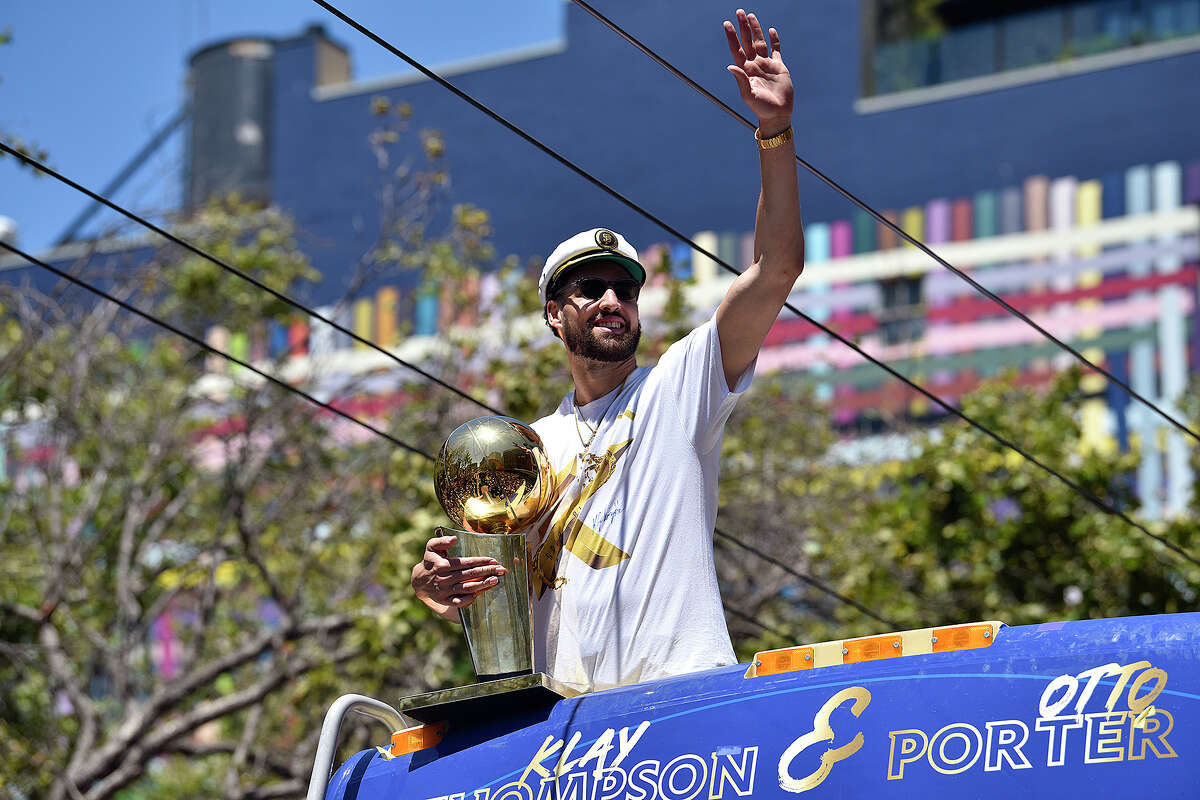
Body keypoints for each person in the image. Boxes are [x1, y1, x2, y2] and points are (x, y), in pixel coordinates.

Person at [412, 8, 804, 691]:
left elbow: (776, 268)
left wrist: (775, 133)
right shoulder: (521, 453)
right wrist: (439, 587)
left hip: (680, 701)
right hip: (566, 731)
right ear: (554, 316)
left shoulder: (680, 387)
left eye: (626, 289)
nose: (612, 301)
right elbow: (488, 589)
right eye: (589, 288)